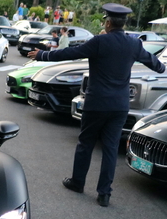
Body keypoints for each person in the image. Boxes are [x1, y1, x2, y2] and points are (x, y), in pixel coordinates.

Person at [27, 3, 166, 207]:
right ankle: (104, 194)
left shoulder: (99, 42)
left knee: (86, 143)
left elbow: (69, 54)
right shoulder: (134, 44)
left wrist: (42, 55)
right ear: (123, 23)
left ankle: (78, 182)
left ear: (108, 23)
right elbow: (158, 66)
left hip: (96, 104)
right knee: (110, 148)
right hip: (119, 106)